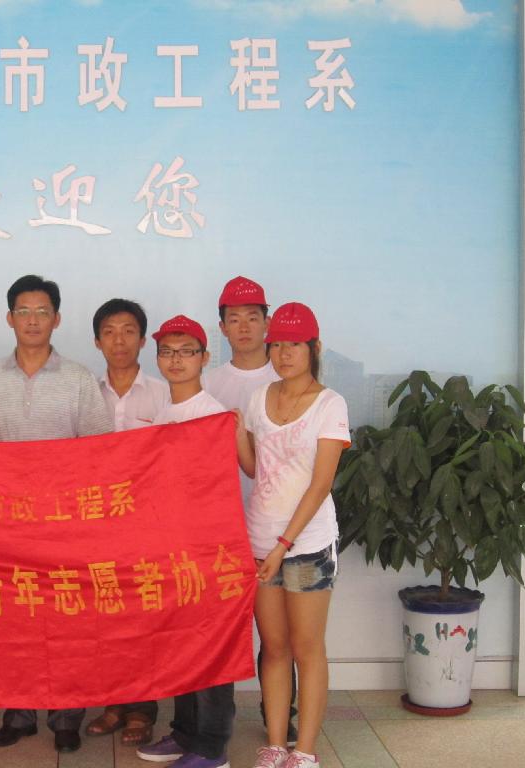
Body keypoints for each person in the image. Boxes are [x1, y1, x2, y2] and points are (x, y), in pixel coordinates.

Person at [0, 274, 113, 755]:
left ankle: (66, 717)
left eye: (42, 312)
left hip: (66, 524)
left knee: (67, 621)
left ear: (57, 319)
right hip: (7, 523)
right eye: (23, 312)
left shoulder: (78, 378)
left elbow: (98, 452)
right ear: (9, 318)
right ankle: (19, 714)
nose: (32, 320)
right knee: (14, 621)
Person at [235, 303, 350, 768]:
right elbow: (254, 468)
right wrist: (232, 431)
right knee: (274, 648)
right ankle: (274, 745)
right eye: (277, 344)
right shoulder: (258, 398)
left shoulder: (330, 404)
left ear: (314, 347)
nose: (284, 353)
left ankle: (304, 751)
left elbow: (320, 485)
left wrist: (284, 545)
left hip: (306, 546)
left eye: (295, 344)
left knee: (307, 648)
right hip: (260, 541)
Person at [136, 315, 238, 768]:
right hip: (169, 547)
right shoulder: (165, 411)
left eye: (186, 352)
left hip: (205, 550)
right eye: (167, 352)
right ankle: (184, 733)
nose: (176, 360)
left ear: (204, 357)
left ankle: (211, 746)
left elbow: (212, 488)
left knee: (209, 646)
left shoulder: (211, 414)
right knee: (179, 644)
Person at [202, 276, 298, 747]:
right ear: (221, 328)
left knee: (278, 630)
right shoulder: (208, 383)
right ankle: (212, 724)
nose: (243, 327)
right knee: (219, 626)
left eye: (253, 318)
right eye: (234, 319)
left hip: (275, 523)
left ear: (267, 323)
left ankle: (279, 713)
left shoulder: (287, 380)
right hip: (219, 524)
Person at [84, 298, 168, 746]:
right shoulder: (84, 391)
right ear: (97, 341)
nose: (119, 340)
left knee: (142, 617)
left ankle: (141, 709)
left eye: (129, 331)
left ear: (143, 339)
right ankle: (112, 703)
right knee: (104, 617)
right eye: (110, 332)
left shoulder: (162, 393)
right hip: (94, 524)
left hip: (146, 524)